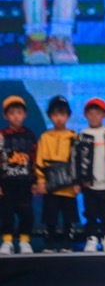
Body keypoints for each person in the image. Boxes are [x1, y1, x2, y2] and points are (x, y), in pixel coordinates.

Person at [35, 96, 80, 252]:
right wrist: (41, 181)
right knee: (50, 216)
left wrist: (77, 182)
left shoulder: (74, 137)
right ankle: (49, 243)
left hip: (69, 185)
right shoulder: (45, 137)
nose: (59, 118)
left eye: (62, 114)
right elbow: (39, 161)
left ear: (68, 115)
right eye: (55, 114)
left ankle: (67, 243)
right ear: (49, 116)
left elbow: (78, 162)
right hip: (50, 183)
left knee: (69, 217)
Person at [0, 96, 37, 255]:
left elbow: (35, 159)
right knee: (6, 212)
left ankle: (24, 240)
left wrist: (35, 181)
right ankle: (7, 241)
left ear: (25, 114)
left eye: (19, 112)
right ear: (5, 115)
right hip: (6, 181)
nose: (16, 116)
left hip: (25, 182)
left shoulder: (30, 135)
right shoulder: (2, 135)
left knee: (26, 212)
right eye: (12, 113)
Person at [80, 98, 105, 252]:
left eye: (98, 113)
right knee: (90, 212)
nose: (94, 116)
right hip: (89, 183)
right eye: (91, 113)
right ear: (85, 115)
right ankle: (92, 237)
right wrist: (81, 179)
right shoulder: (83, 135)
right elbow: (78, 159)